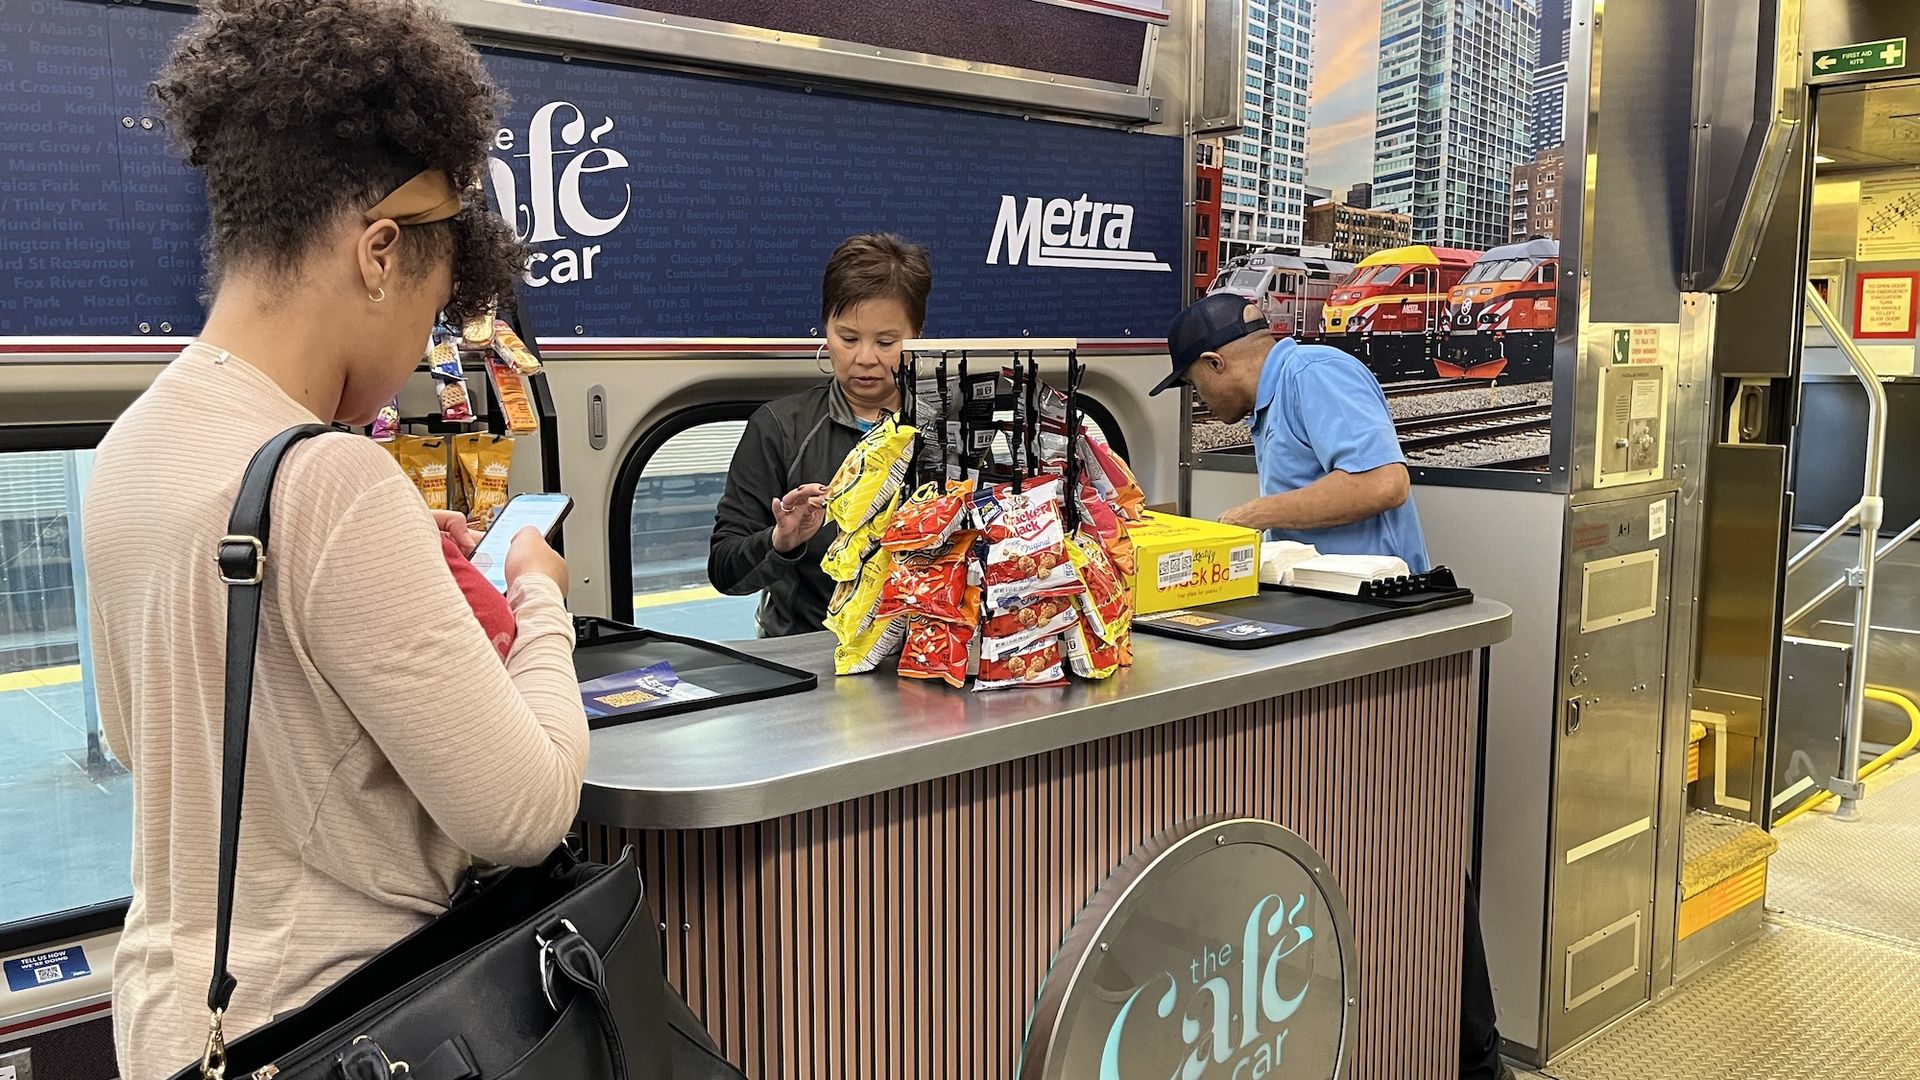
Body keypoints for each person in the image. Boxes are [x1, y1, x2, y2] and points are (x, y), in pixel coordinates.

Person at [81, 3, 588, 1076]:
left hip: (178, 1023)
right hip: (339, 1028)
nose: (419, 354)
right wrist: (540, 595)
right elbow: (525, 811)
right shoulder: (333, 480)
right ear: (378, 253)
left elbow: (152, 736)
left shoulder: (132, 445)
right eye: (433, 311)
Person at [1152, 294, 1515, 1080]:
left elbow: (1384, 483)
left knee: (1424, 847)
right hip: (1338, 635)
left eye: (1193, 385)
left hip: (1387, 641)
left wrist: (1253, 516)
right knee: (1363, 846)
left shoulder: (1315, 373)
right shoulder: (1275, 401)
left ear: (1217, 363)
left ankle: (1477, 1058)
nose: (1200, 403)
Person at [709, 233, 933, 636]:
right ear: (825, 329)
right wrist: (781, 541)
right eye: (848, 338)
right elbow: (725, 571)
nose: (865, 358)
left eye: (886, 342)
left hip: (926, 648)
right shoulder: (780, 427)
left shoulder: (946, 429)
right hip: (812, 650)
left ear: (917, 334)